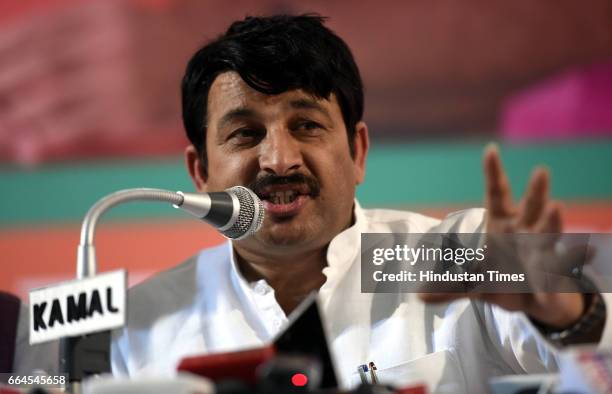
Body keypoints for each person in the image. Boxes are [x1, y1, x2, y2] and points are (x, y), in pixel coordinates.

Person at [111, 14, 611, 392]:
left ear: (357, 151)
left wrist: (568, 312)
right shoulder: (140, 325)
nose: (280, 160)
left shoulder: (453, 255)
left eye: (306, 125)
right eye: (246, 134)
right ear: (200, 172)